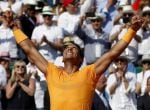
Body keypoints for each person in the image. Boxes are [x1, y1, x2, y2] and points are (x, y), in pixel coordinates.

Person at [5, 9, 143, 110]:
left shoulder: (89, 73)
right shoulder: (52, 71)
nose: (69, 49)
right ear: (62, 59)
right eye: (66, 48)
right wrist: (13, 27)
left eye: (74, 48)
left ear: (81, 59)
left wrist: (131, 30)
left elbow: (113, 53)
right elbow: (30, 49)